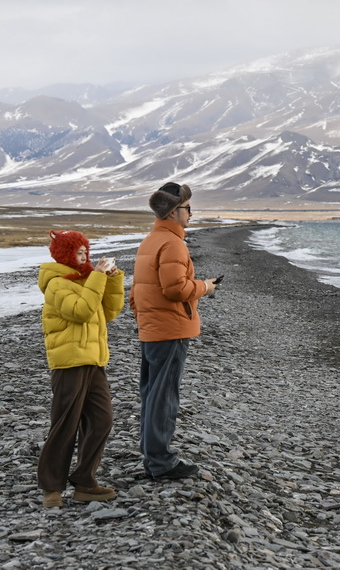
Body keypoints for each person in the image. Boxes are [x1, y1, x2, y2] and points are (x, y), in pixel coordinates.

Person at [129, 182, 218, 480]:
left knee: (152, 393)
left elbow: (137, 291)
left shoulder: (151, 240)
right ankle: (161, 462)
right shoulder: (172, 243)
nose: (191, 215)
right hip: (170, 329)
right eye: (188, 209)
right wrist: (206, 287)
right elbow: (175, 288)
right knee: (164, 396)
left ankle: (153, 455)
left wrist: (143, 317)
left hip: (153, 327)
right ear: (172, 212)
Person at [37, 229, 125, 508]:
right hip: (69, 362)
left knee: (101, 420)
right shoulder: (56, 283)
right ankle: (52, 489)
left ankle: (85, 481)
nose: (85, 254)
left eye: (86, 249)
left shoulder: (87, 279)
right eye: (79, 251)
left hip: (94, 359)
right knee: (65, 424)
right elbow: (82, 311)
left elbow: (108, 312)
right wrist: (97, 277)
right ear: (65, 254)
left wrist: (111, 279)